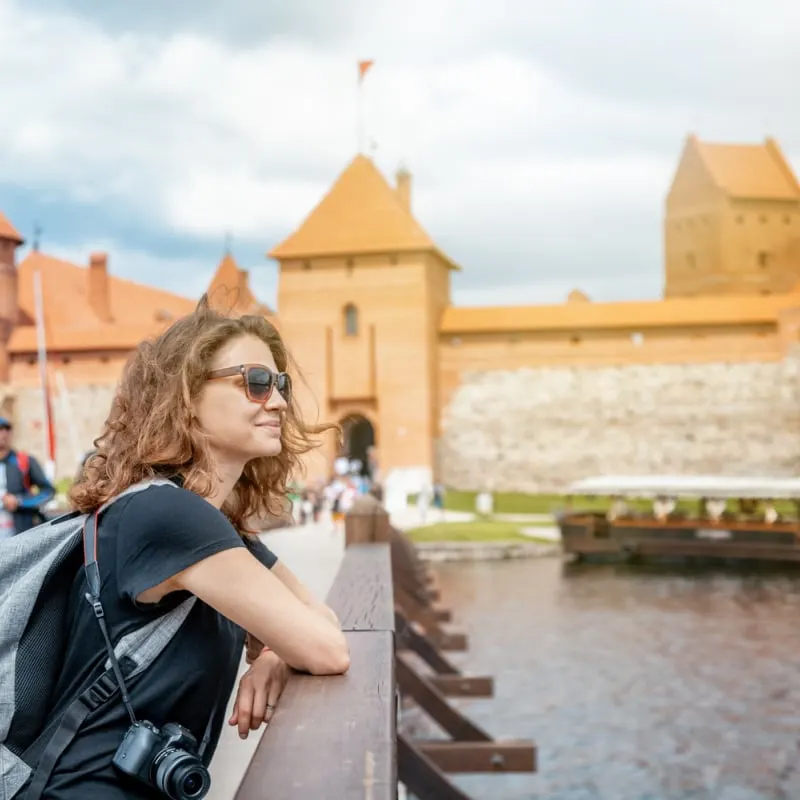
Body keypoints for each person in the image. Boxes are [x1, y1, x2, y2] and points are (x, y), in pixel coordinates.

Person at [31, 297, 350, 799]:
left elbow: (320, 621)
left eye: (279, 384)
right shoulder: (170, 517)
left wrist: (273, 655)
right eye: (255, 382)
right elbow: (326, 648)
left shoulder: (211, 527)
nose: (280, 402)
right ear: (186, 397)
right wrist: (288, 644)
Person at [0, 415, 55, 538]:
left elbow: (48, 491)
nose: (3, 433)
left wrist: (20, 502)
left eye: (6, 429)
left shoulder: (24, 461)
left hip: (18, 536)